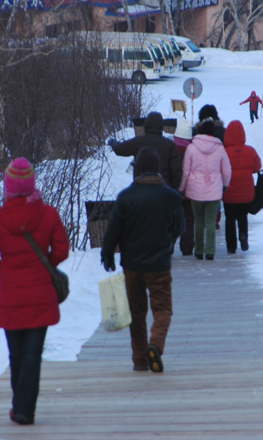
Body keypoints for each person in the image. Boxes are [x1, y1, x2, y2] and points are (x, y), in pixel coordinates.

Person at [0, 157, 69, 426]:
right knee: (32, 355)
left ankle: (20, 406)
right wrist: (44, 266)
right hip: (41, 296)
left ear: (7, 187)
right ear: (31, 184)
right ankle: (24, 409)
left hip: (11, 297)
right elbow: (62, 250)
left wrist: (3, 270)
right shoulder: (48, 214)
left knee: (16, 355)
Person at [101, 147, 185, 373]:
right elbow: (180, 227)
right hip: (159, 265)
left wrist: (107, 253)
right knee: (163, 309)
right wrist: (168, 242)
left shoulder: (126, 197)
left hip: (133, 265)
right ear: (157, 169)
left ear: (137, 169)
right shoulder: (171, 197)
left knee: (136, 313)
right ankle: (155, 344)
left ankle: (139, 359)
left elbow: (113, 230)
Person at [179, 120, 232, 261]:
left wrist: (182, 187)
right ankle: (210, 251)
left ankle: (199, 250)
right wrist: (225, 185)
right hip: (214, 189)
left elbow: (185, 171)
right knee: (210, 220)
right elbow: (226, 170)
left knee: (199, 220)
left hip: (195, 189)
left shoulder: (191, 148)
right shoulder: (220, 148)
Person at [107, 111, 182, 188]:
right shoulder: (170, 145)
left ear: (146, 125)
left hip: (141, 189)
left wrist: (113, 142)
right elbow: (176, 172)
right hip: (164, 191)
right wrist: (174, 190)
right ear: (162, 127)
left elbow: (120, 149)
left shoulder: (138, 142)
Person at [222, 120, 262, 254]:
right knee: (242, 217)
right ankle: (243, 237)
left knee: (230, 219)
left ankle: (231, 246)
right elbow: (257, 167)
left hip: (229, 193)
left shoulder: (224, 152)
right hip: (246, 193)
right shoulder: (250, 151)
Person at [173, 118, 195, 256]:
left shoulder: (170, 148)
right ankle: (187, 248)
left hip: (174, 191)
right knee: (189, 220)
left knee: (173, 219)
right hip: (190, 191)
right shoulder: (193, 150)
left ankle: (169, 246)